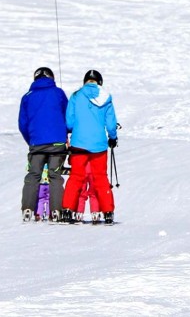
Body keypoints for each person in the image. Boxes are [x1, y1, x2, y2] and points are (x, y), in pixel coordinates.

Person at [61, 69, 118, 224]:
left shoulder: (76, 96)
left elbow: (69, 123)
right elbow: (111, 124)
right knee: (100, 178)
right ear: (100, 82)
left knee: (76, 177)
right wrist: (113, 138)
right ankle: (107, 212)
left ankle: (67, 210)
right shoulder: (106, 97)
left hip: (78, 144)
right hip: (99, 145)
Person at [18, 66, 68, 222]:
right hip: (57, 143)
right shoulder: (58, 93)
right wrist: (65, 133)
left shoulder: (27, 96)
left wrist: (31, 140)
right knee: (55, 175)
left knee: (33, 175)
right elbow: (67, 116)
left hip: (36, 143)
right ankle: (56, 211)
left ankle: (27, 209)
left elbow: (22, 124)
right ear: (51, 77)